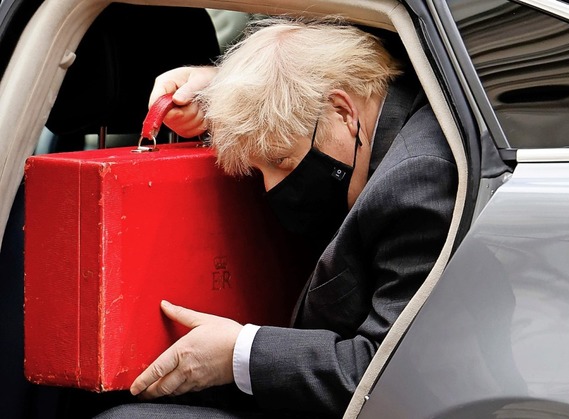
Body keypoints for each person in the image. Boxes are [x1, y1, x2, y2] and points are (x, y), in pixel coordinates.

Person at [97, 17, 457, 419]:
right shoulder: (392, 110)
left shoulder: (416, 182)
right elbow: (299, 91)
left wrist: (238, 353)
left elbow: (384, 380)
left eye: (281, 160)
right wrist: (225, 84)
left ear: (343, 111)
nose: (273, 189)